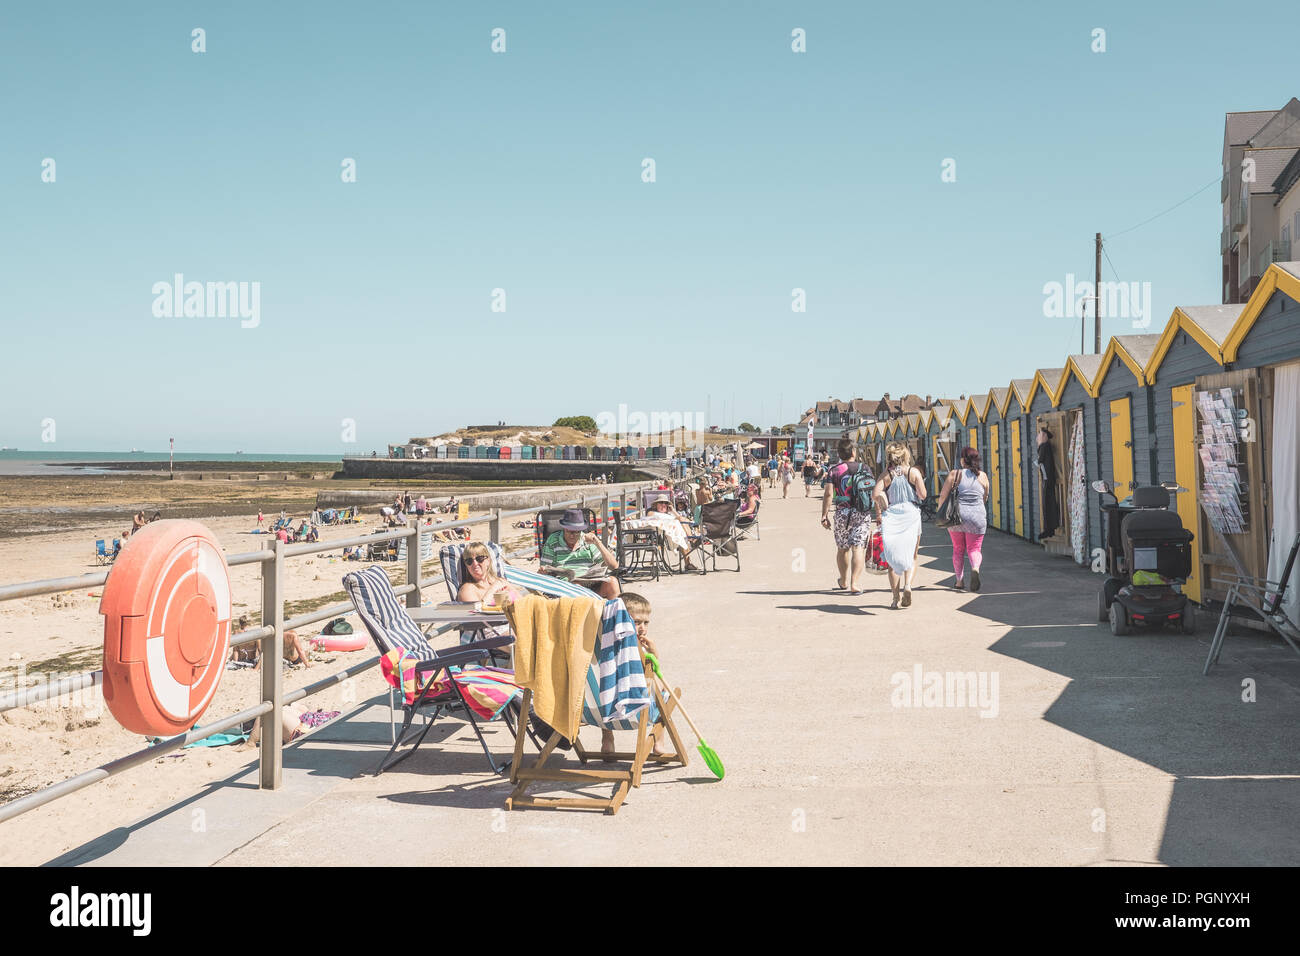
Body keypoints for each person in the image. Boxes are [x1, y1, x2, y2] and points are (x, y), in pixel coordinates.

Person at [873, 442, 927, 609]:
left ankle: (895, 598)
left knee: (891, 558)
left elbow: (875, 494)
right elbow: (923, 495)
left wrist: (882, 501)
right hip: (911, 514)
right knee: (912, 555)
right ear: (905, 456)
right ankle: (908, 586)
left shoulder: (886, 474)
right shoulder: (913, 472)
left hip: (892, 517)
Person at [820, 438, 873, 595]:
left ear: (840, 454)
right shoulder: (865, 468)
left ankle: (843, 580)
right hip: (862, 512)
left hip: (842, 513)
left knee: (843, 548)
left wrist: (824, 515)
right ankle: (854, 583)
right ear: (853, 452)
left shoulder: (834, 470)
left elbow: (829, 494)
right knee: (858, 548)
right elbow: (872, 491)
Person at [935, 446, 990, 591]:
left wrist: (939, 512)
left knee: (958, 549)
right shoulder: (982, 476)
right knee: (975, 549)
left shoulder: (955, 474)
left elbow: (943, 496)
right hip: (977, 517)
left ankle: (959, 581)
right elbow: (984, 497)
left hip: (956, 517)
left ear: (962, 460)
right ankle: (975, 568)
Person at [540, 508, 621, 599]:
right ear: (564, 528)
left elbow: (614, 566)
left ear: (581, 530)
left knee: (613, 582)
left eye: (576, 532)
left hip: (590, 584)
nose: (572, 535)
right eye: (569, 531)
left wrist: (597, 542)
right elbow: (545, 569)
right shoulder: (553, 541)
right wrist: (544, 570)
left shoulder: (587, 540)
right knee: (577, 586)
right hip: (567, 588)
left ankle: (615, 612)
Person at [456, 541, 523, 605]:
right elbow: (474, 613)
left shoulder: (501, 581)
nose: (475, 564)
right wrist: (493, 589)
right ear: (466, 565)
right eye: (469, 561)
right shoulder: (467, 589)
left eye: (479, 559)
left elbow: (523, 602)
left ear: (488, 560)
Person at [1036, 424, 1060, 540]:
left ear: (1044, 436)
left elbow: (1039, 461)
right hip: (1048, 477)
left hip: (1047, 478)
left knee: (1047, 503)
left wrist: (1039, 445)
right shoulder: (1045, 446)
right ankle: (1050, 528)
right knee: (1049, 502)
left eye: (1040, 434)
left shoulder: (1044, 446)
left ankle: (1048, 529)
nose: (1038, 437)